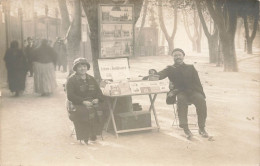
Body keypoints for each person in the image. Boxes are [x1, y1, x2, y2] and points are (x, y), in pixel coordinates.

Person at [155, 48, 208, 139]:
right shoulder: (170, 69)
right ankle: (186, 129)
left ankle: (202, 128)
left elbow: (197, 82)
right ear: (172, 57)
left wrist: (201, 93)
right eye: (175, 55)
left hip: (193, 91)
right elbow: (160, 75)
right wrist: (152, 74)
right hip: (179, 92)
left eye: (179, 55)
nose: (177, 57)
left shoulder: (191, 67)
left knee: (201, 100)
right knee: (181, 100)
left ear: (183, 56)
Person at [66, 58, 104, 145]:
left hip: (91, 101)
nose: (82, 68)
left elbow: (99, 92)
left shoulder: (91, 79)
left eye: (84, 66)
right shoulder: (71, 80)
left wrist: (97, 99)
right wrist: (83, 102)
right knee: (83, 112)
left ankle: (93, 133)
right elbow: (70, 96)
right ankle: (84, 136)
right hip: (76, 103)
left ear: (87, 67)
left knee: (100, 109)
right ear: (75, 68)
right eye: (80, 67)